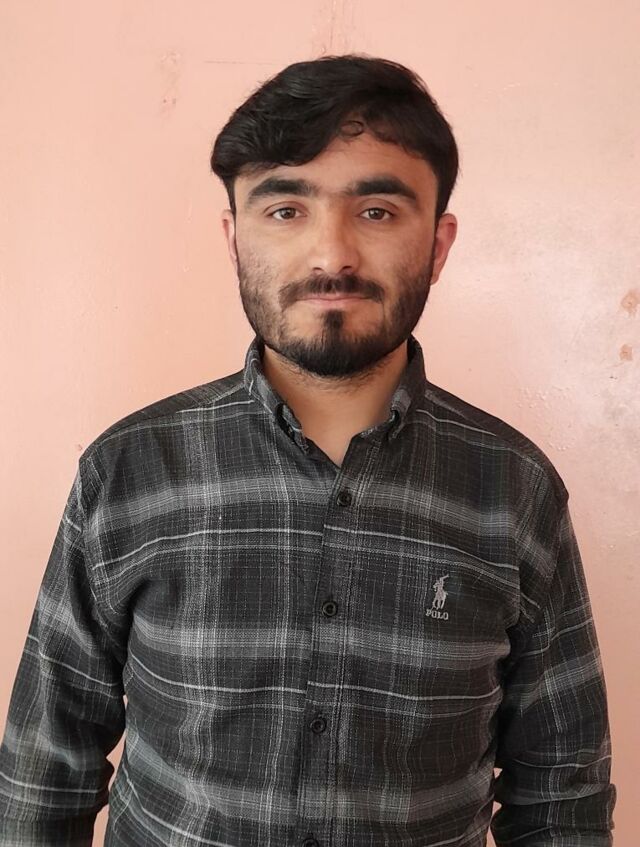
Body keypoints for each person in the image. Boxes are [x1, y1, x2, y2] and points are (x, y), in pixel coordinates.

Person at [0, 53, 616, 846]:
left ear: (438, 243)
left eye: (378, 211)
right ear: (234, 238)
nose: (331, 256)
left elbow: (561, 792)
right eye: (286, 209)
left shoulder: (516, 489)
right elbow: (43, 770)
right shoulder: (127, 471)